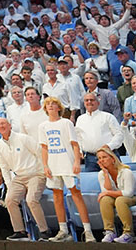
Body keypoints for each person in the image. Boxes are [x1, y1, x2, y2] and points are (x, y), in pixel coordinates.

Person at [39, 96, 96, 242]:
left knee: (76, 195)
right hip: (53, 164)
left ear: (59, 108)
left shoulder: (66, 123)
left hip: (68, 163)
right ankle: (63, 230)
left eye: (53, 104)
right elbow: (44, 148)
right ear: (45, 109)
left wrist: (77, 162)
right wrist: (45, 165)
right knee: (57, 197)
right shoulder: (43, 126)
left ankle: (87, 231)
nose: (50, 106)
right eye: (48, 104)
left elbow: (75, 144)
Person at [0, 117, 48, 240]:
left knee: (31, 199)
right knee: (10, 200)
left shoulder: (23, 138)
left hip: (35, 174)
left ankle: (44, 231)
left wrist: (43, 170)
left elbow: (40, 152)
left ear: (9, 125)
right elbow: (4, 168)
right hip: (18, 177)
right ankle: (20, 232)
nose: (1, 126)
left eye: (3, 123)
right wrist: (9, 185)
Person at [95, 145, 136, 242]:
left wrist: (108, 192)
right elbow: (105, 191)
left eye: (104, 157)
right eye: (99, 158)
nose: (101, 160)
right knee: (104, 200)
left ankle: (128, 233)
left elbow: (129, 193)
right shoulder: (101, 174)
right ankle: (110, 232)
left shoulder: (126, 171)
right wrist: (105, 173)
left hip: (134, 197)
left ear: (113, 159)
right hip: (117, 197)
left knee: (120, 200)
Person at [76, 91, 124, 171]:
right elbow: (78, 138)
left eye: (92, 100)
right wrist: (80, 151)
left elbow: (119, 135)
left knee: (116, 181)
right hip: (90, 158)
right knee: (92, 183)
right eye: (86, 100)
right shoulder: (80, 119)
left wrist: (109, 146)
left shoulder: (108, 116)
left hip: (109, 155)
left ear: (98, 103)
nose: (89, 102)